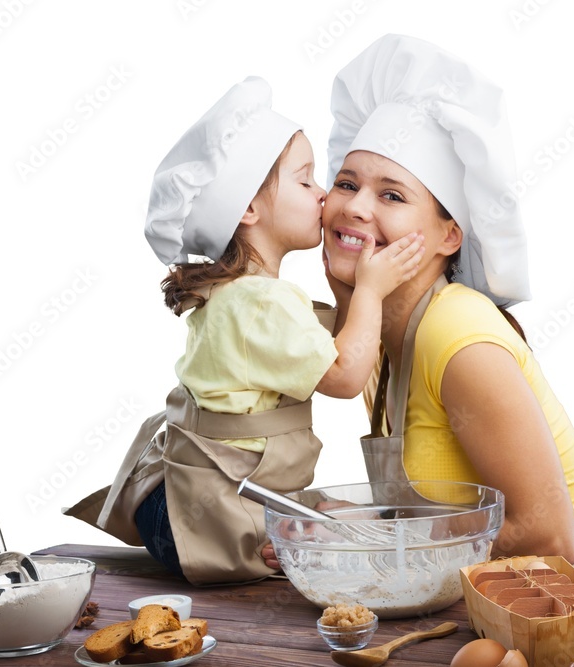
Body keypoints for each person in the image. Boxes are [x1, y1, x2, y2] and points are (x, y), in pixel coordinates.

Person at [265, 35, 574, 575]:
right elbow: (446, 515)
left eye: (392, 195)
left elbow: (548, 537)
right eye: (346, 184)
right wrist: (357, 521)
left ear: (449, 237)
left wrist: (368, 538)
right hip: (481, 593)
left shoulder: (456, 334)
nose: (356, 208)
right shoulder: (380, 336)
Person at [66, 76, 424, 584]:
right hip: (204, 519)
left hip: (176, 499)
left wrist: (349, 287)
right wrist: (369, 291)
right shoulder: (262, 301)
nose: (323, 195)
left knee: (345, 514)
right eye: (305, 181)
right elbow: (345, 376)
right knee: (345, 535)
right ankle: (260, 546)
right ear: (248, 209)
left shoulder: (232, 291)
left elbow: (330, 347)